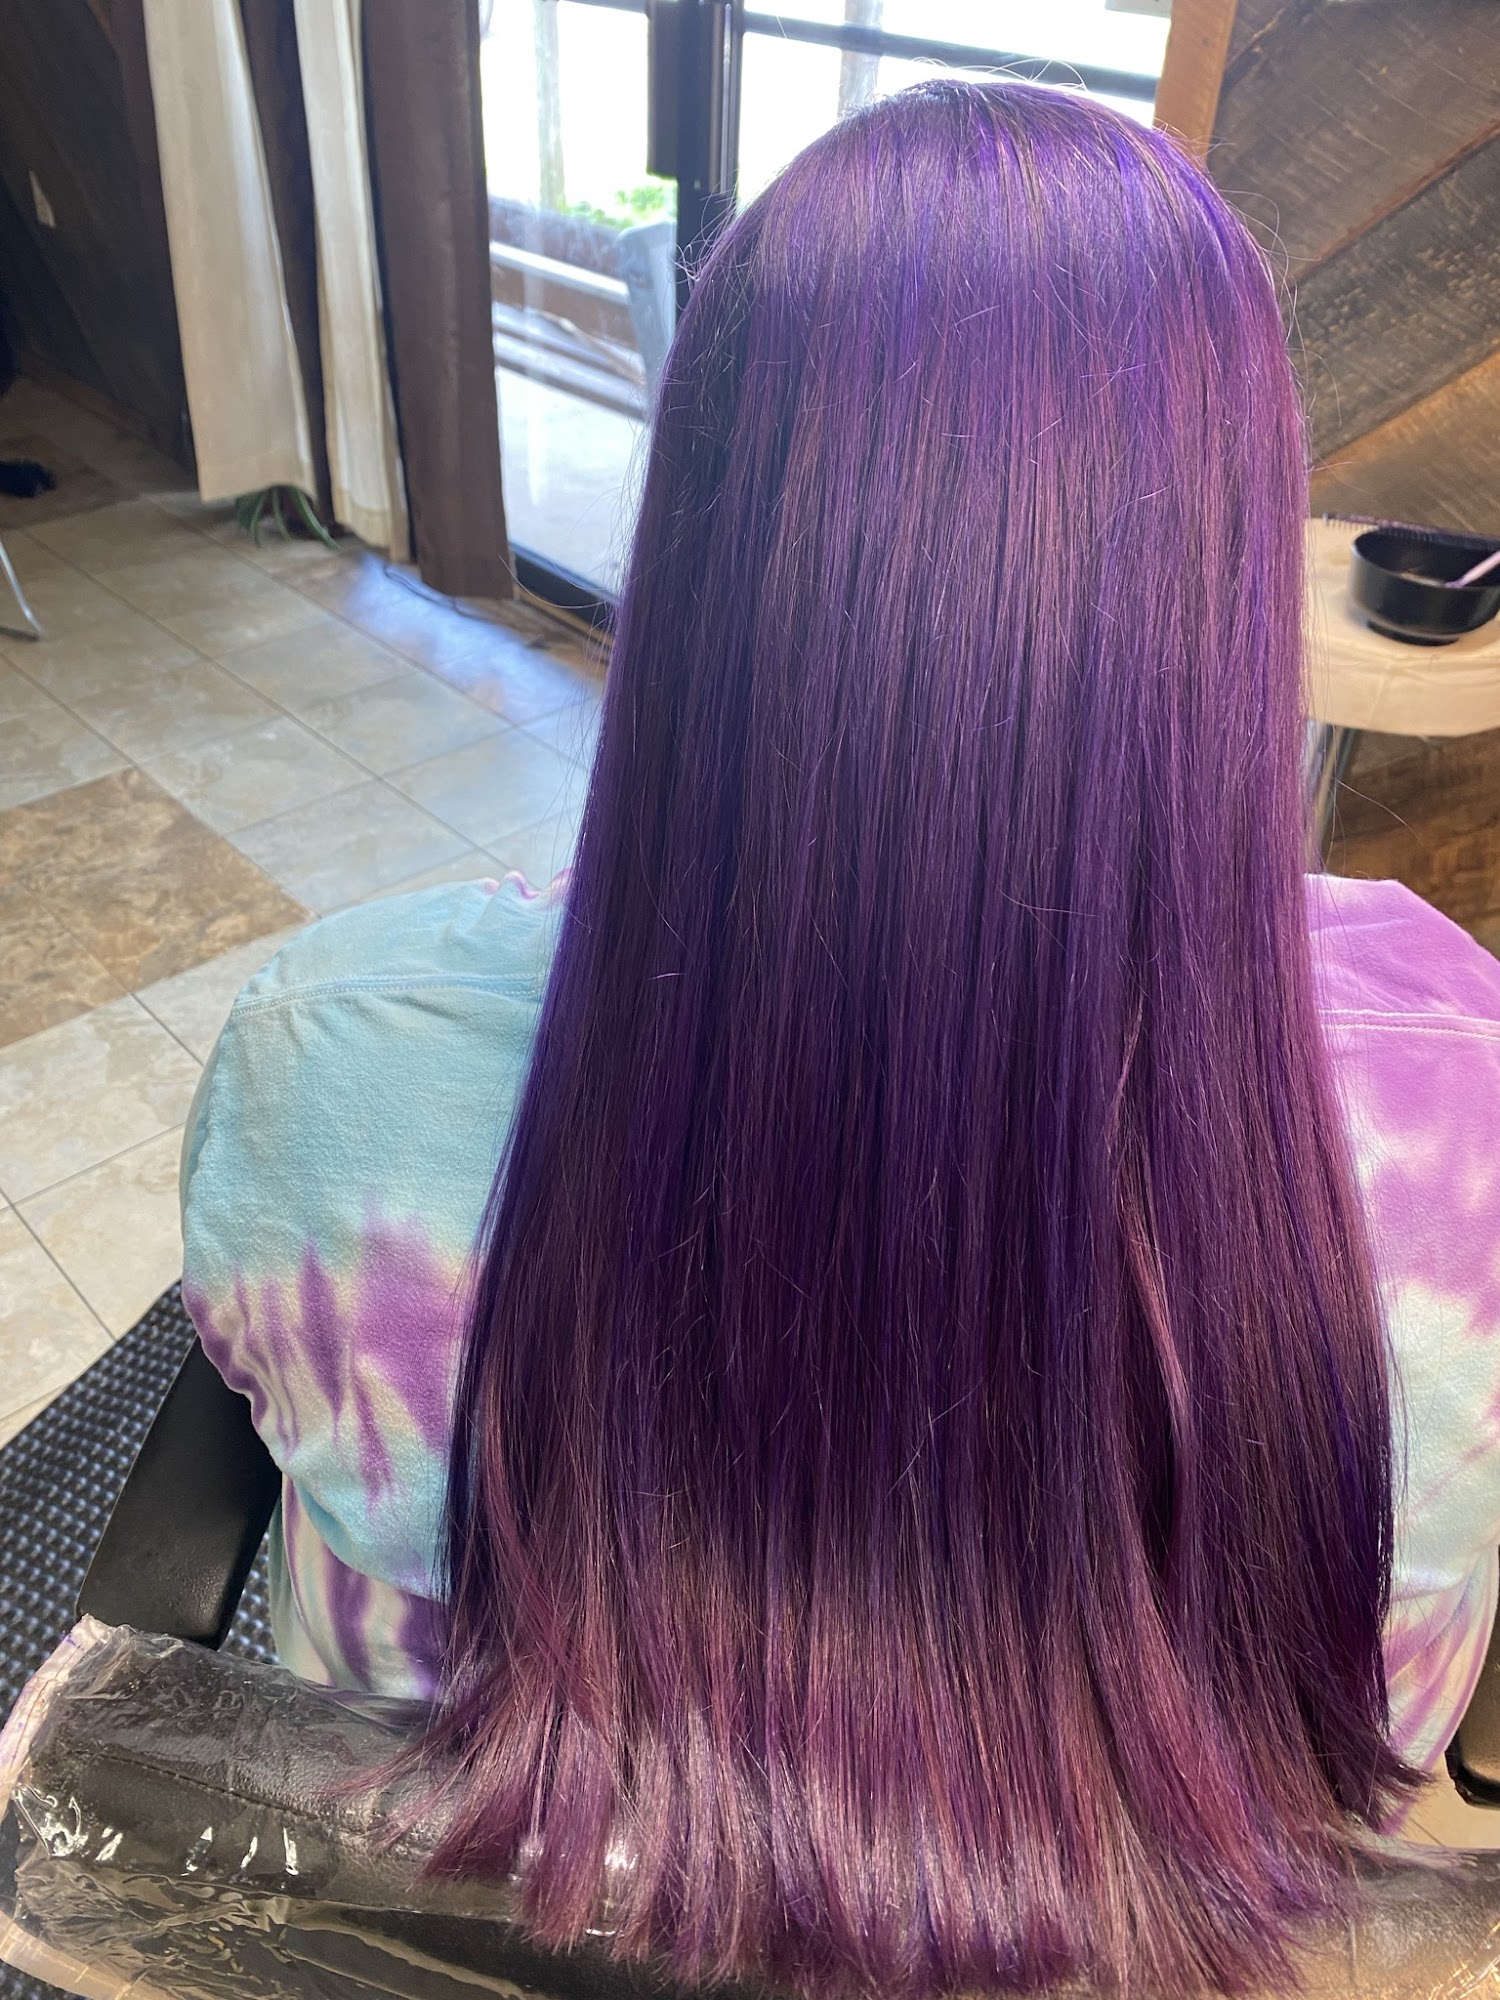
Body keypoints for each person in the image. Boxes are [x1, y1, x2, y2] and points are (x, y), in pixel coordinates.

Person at [181, 79, 1500, 1998]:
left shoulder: (327, 1061)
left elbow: (269, 1414)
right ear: (1228, 582)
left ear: (702, 550)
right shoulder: (1466, 1117)